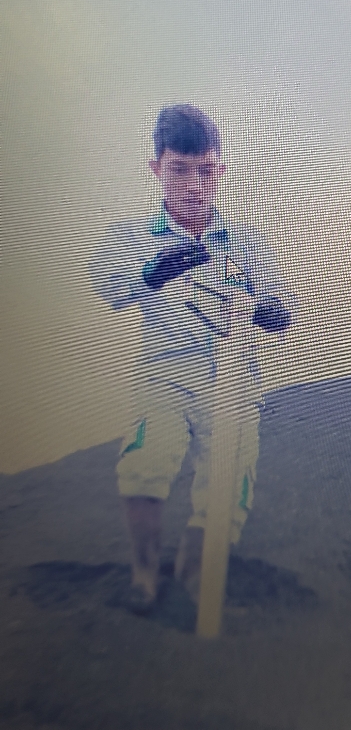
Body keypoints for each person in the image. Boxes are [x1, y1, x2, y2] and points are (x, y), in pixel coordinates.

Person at [90, 104, 293, 613]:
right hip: (166, 377)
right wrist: (150, 274)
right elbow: (108, 288)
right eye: (179, 170)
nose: (194, 185)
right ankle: (143, 576)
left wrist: (271, 311)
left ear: (220, 170)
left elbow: (282, 304)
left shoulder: (246, 242)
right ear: (157, 168)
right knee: (144, 469)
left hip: (236, 383)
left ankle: (192, 582)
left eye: (205, 171)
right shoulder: (132, 238)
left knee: (227, 497)